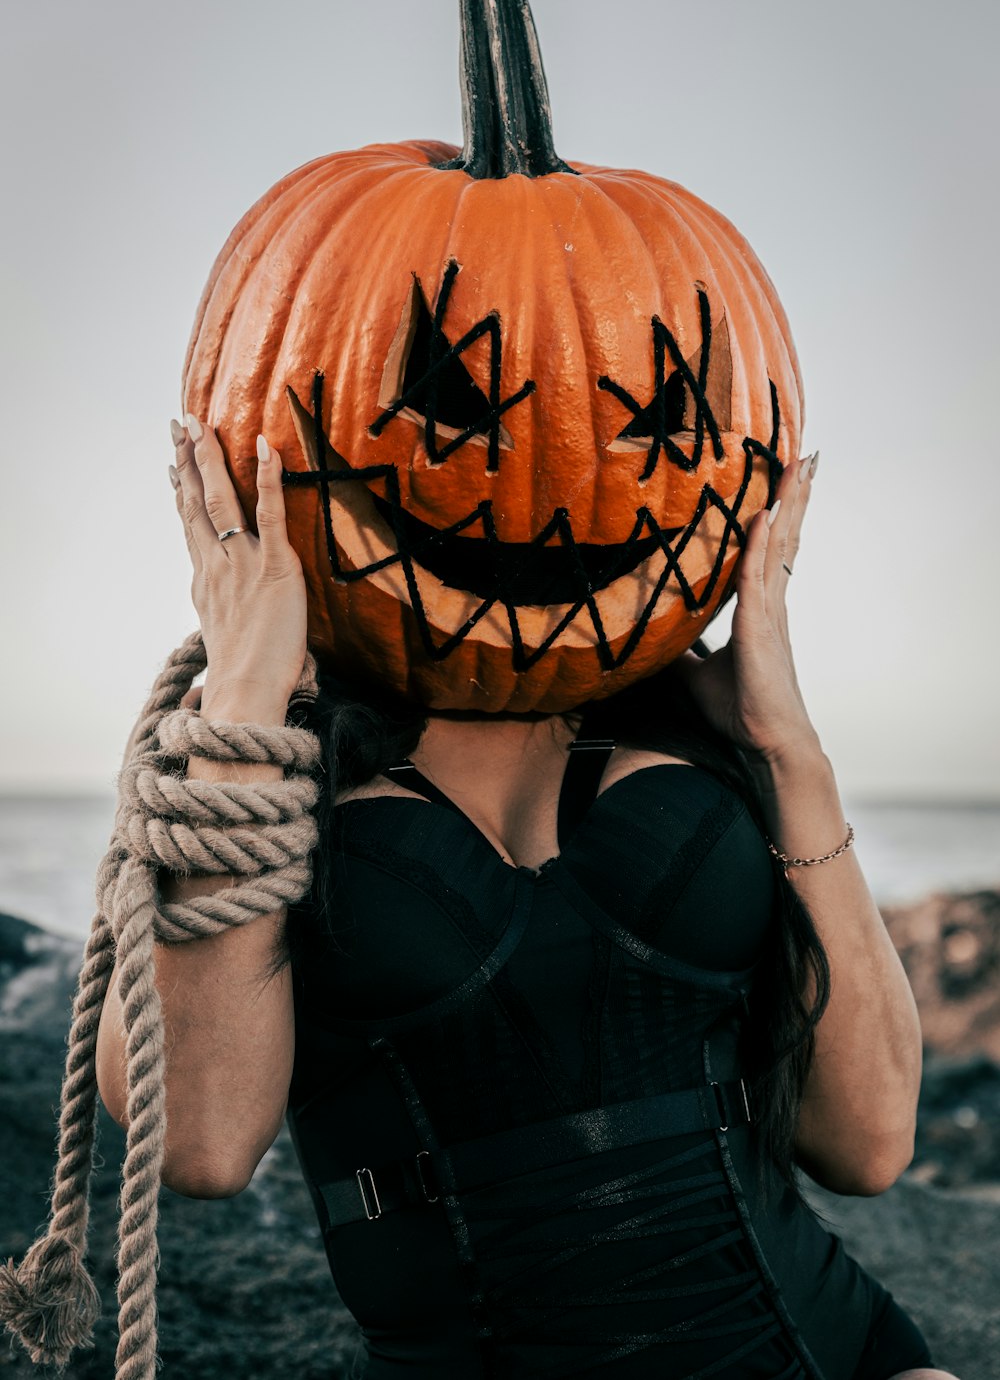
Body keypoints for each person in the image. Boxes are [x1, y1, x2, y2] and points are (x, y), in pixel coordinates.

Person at [95, 415, 960, 1380]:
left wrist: (786, 746)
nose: (511, 466)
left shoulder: (701, 729)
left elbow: (872, 1143)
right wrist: (245, 698)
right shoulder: (256, 776)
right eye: (452, 415)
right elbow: (201, 1146)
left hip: (837, 1352)